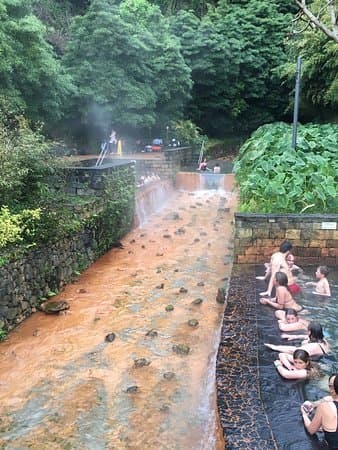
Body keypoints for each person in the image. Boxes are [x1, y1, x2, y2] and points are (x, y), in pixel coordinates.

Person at [301, 374, 338, 449]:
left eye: (330, 386)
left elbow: (311, 430)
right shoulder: (327, 402)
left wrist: (304, 415)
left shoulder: (325, 407)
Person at [264, 321, 329, 357]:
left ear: (309, 332)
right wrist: (294, 336)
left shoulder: (313, 346)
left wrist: (275, 347)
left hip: (314, 361)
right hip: (321, 356)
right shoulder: (323, 340)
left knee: (283, 355)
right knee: (305, 341)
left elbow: (294, 350)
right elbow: (307, 336)